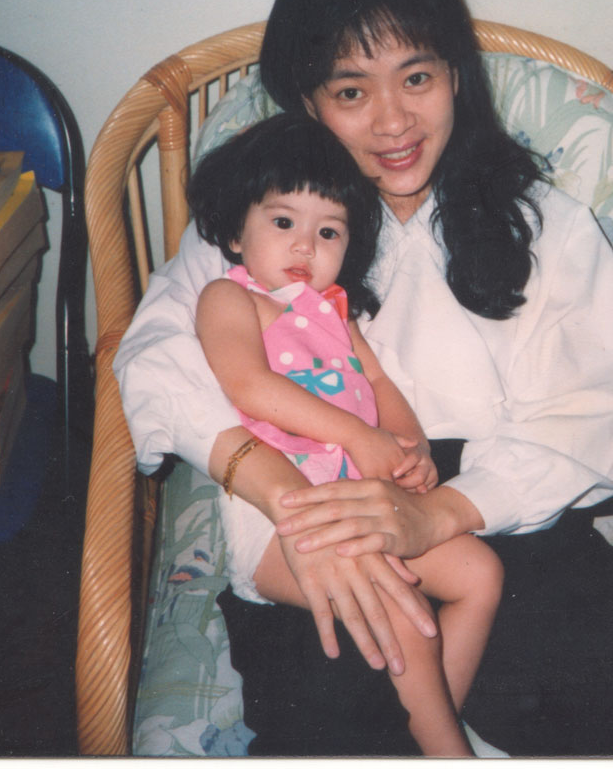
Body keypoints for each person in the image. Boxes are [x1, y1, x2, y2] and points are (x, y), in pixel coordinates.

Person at [115, 0, 613, 756]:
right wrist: (276, 491)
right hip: (319, 510)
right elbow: (152, 355)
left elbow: (584, 418)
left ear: (456, 77)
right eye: (352, 90)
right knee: (330, 717)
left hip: (500, 516)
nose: (393, 121)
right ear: (308, 102)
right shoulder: (270, 220)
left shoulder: (548, 227)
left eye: (418, 78)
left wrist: (432, 514)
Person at [187, 112, 503, 756]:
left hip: (360, 504)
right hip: (279, 520)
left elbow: (383, 391)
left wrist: (408, 455)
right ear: (236, 228)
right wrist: (357, 438)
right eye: (283, 223)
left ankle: (426, 727)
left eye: (327, 231)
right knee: (400, 612)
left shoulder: (337, 313)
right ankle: (448, 751)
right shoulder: (230, 297)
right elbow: (249, 386)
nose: (305, 247)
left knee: (480, 572)